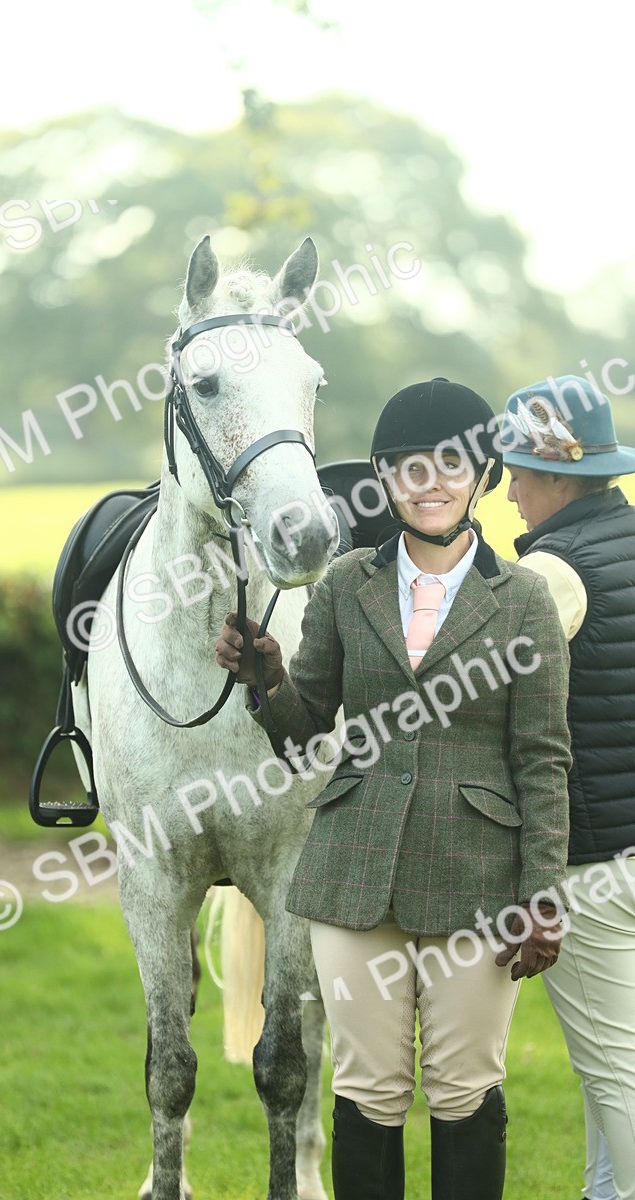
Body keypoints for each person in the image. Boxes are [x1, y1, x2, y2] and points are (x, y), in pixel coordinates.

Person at [215, 378, 572, 1200]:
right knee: (367, 1091)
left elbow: (543, 761)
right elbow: (306, 730)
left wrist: (543, 895)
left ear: (480, 476)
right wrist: (268, 678)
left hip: (479, 881)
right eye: (410, 468)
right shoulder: (344, 584)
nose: (432, 481)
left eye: (450, 464)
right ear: (385, 479)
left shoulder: (523, 601)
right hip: (352, 875)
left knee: (462, 1090)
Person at [501, 374, 635, 1200]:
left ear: (557, 476)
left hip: (588, 866)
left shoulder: (554, 573)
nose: (508, 492)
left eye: (517, 472)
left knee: (618, 1079)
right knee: (611, 1075)